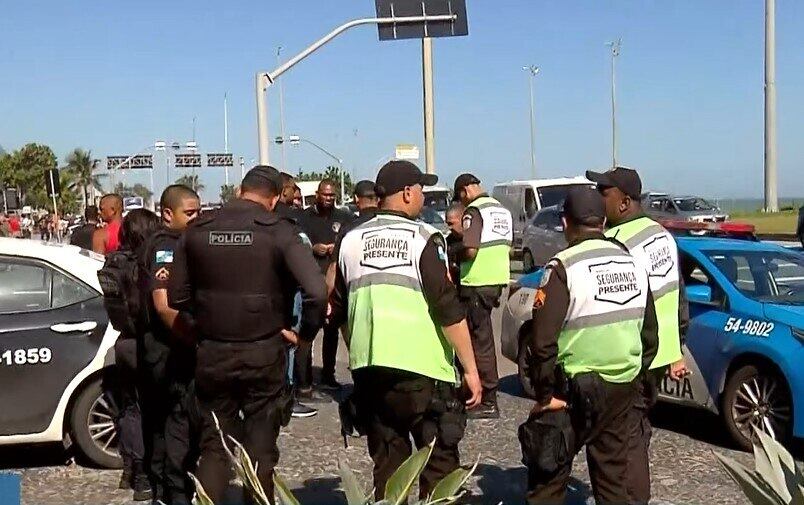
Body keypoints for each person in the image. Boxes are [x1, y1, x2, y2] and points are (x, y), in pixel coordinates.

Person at [167, 165, 327, 503]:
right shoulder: (280, 232)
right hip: (264, 352)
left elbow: (176, 298)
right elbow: (316, 291)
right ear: (272, 200)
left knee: (214, 448)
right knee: (260, 449)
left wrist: (204, 327)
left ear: (240, 191)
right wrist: (303, 335)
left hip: (212, 352)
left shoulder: (196, 231)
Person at [330, 161, 482, 499]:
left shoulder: (351, 240)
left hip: (371, 372)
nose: (424, 199)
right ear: (408, 193)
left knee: (388, 468)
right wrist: (471, 368)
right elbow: (448, 309)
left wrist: (359, 352)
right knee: (438, 465)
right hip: (423, 374)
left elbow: (338, 310)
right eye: (422, 191)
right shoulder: (425, 238)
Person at [523, 187, 659, 504]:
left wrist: (545, 396)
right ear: (602, 222)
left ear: (566, 222)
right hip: (620, 388)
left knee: (548, 477)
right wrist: (634, 376)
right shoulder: (632, 263)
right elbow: (650, 334)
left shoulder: (563, 267)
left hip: (571, 393)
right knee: (612, 480)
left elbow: (542, 342)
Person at [586, 167, 689, 503]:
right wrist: (676, 348)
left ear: (625, 201)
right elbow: (678, 299)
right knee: (636, 434)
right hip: (658, 355)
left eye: (604, 193)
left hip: (632, 358)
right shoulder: (661, 236)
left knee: (621, 445)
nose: (598, 199)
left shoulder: (618, 244)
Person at [140, 185, 201, 504]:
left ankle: (162, 488)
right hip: (168, 349)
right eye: (189, 213)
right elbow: (162, 305)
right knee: (177, 424)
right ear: (167, 214)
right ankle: (175, 491)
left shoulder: (163, 241)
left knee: (161, 425)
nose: (196, 219)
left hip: (160, 349)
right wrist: (194, 338)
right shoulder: (166, 245)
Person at [453, 173, 513, 418]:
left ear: (465, 191)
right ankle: (478, 393)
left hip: (476, 281)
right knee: (482, 337)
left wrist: (452, 253)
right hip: (496, 280)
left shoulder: (474, 211)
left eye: (461, 197)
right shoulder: (501, 210)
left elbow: (470, 250)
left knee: (479, 341)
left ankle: (487, 398)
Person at [115, 208, 161, 502]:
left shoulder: (114, 261)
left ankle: (134, 470)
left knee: (131, 409)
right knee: (154, 409)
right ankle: (148, 474)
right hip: (147, 342)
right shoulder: (148, 263)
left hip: (123, 342)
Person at [300, 179, 354, 391]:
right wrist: (313, 248)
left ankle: (328, 374)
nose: (329, 199)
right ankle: (304, 377)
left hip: (336, 280)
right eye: (325, 195)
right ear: (317, 194)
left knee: (332, 331)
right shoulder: (305, 217)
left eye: (332, 195)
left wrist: (337, 248)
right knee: (309, 330)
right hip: (311, 279)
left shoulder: (344, 217)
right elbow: (298, 242)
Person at [275, 172, 319, 419]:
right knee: (289, 345)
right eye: (293, 189)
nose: (296, 195)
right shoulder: (288, 219)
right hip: (290, 291)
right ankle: (286, 398)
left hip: (273, 293)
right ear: (284, 191)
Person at [325, 180, 379, 293]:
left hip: (356, 297)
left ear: (356, 199)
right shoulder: (390, 224)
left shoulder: (349, 229)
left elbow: (333, 269)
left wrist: (325, 300)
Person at [444, 203, 465, 286]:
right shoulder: (447, 242)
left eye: (451, 223)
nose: (449, 228)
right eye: (448, 224)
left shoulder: (474, 240)